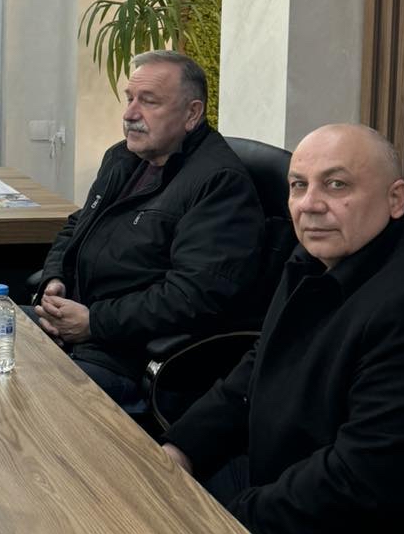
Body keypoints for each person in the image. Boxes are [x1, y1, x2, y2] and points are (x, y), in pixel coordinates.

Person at [162, 123, 404, 534]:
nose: (309, 205)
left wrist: (231, 520)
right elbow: (259, 364)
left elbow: (357, 477)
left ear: (395, 199)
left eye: (336, 185)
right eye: (298, 185)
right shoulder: (323, 252)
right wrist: (179, 449)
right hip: (279, 481)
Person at [34, 51, 264, 413]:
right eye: (130, 99)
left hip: (122, 357)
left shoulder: (219, 184)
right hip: (71, 328)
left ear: (192, 113)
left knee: (19, 398)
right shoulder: (123, 157)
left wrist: (94, 323)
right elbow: (78, 225)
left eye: (149, 102)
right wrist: (54, 280)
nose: (129, 114)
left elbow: (191, 297)